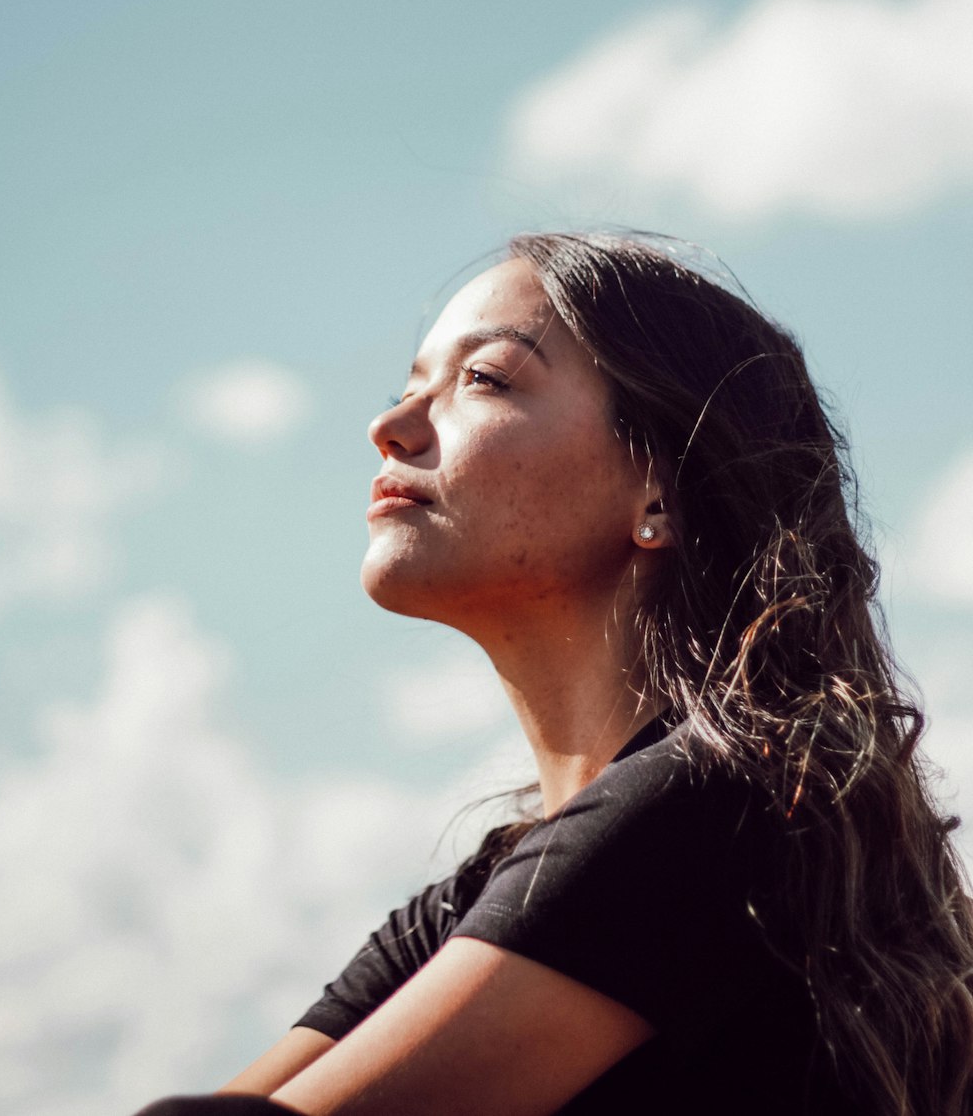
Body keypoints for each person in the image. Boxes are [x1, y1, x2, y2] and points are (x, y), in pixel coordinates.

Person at [136, 231, 973, 1116]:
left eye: (484, 379)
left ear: (662, 491)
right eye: (407, 387)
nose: (391, 427)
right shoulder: (480, 895)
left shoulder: (717, 814)